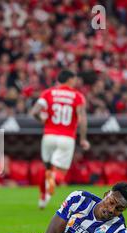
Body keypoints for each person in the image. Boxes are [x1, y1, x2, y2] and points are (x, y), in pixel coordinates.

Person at [29, 70, 90, 209]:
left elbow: (34, 112)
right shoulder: (77, 96)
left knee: (47, 169)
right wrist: (83, 139)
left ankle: (42, 199)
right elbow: (82, 119)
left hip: (49, 136)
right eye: (74, 79)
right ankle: (50, 186)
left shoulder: (48, 93)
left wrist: (43, 121)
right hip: (66, 137)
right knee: (60, 173)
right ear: (69, 80)